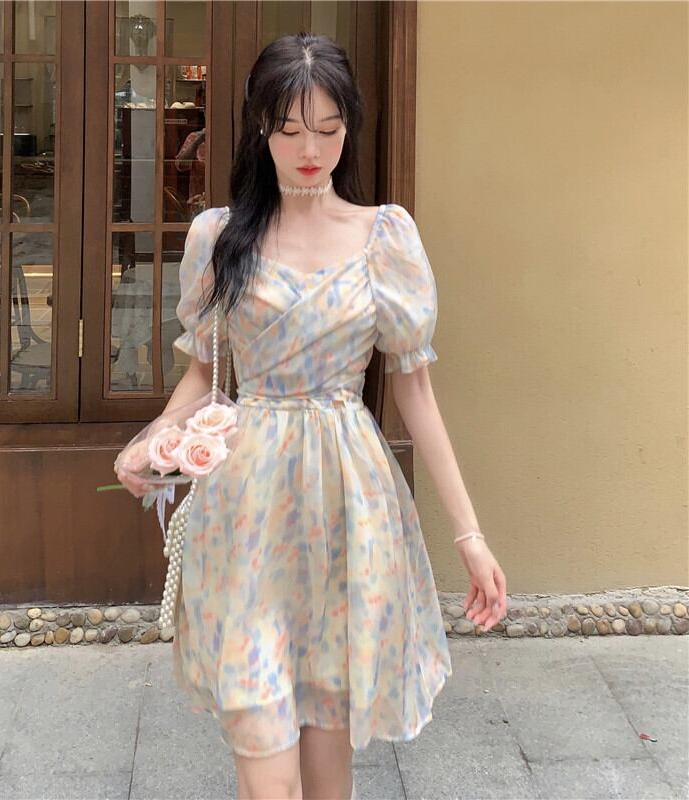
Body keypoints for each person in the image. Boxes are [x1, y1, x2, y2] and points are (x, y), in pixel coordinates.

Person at [117, 32, 507, 800]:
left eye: (328, 129)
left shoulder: (385, 237)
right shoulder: (219, 237)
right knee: (264, 751)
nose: (309, 150)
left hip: (348, 510)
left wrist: (469, 536)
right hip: (247, 511)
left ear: (348, 128)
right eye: (290, 130)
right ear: (260, 129)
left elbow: (415, 392)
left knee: (328, 769)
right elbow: (203, 370)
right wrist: (153, 443)